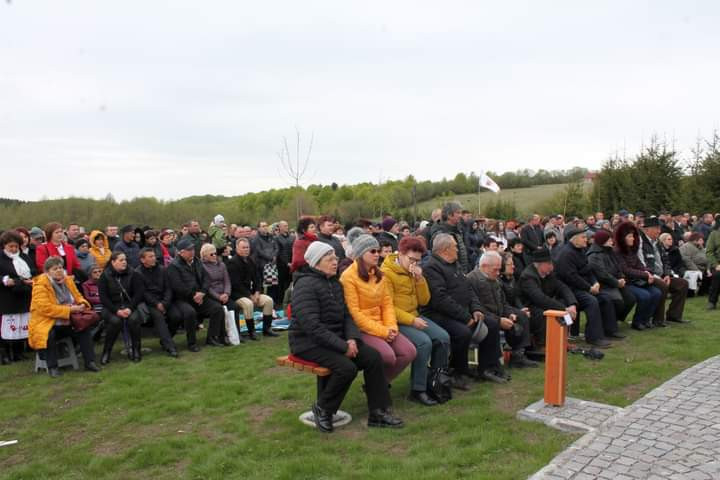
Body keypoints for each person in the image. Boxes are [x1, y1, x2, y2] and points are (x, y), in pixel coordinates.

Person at [290, 242, 403, 432]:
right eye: (329, 259)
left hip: (336, 339)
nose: (335, 262)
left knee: (373, 357)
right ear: (316, 263)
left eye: (335, 258)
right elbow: (312, 327)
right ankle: (323, 409)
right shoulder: (305, 285)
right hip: (307, 343)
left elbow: (347, 316)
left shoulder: (334, 282)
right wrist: (343, 347)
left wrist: (352, 339)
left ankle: (378, 412)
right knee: (346, 368)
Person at [422, 233, 503, 385]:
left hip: (462, 311)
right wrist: (465, 317)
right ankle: (458, 371)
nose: (458, 250)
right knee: (463, 332)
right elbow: (440, 300)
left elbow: (468, 289)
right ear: (445, 249)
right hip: (439, 314)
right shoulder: (431, 268)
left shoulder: (454, 264)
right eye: (455, 247)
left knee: (492, 324)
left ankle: (486, 368)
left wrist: (476, 309)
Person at [381, 236, 451, 406]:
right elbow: (388, 307)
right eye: (411, 259)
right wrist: (412, 321)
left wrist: (420, 279)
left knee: (443, 337)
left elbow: (424, 300)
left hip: (414, 315)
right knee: (424, 343)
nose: (414, 263)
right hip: (396, 320)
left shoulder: (413, 272)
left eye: (418, 260)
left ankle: (435, 381)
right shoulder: (386, 273)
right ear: (401, 254)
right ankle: (418, 389)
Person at [340, 234, 417, 386]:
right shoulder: (348, 277)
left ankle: (378, 384)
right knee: (388, 356)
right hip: (361, 329)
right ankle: (377, 387)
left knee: (409, 352)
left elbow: (387, 304)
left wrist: (391, 327)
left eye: (378, 250)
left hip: (383, 325)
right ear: (361, 254)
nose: (377, 254)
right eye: (373, 251)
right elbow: (354, 313)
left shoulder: (379, 274)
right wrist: (383, 332)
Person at [28, 256, 100, 377]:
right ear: (47, 272)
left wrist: (82, 304)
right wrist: (70, 309)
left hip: (68, 320)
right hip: (46, 322)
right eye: (55, 269)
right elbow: (46, 309)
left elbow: (78, 296)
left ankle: (90, 362)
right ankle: (53, 367)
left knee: (84, 328)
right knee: (49, 335)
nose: (59, 270)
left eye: (60, 267)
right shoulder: (40, 285)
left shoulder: (68, 280)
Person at [467, 251, 537, 368]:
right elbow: (477, 308)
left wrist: (509, 314)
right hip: (483, 318)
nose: (498, 273)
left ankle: (518, 355)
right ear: (484, 266)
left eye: (499, 270)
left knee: (522, 315)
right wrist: (499, 320)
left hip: (497, 315)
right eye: (495, 270)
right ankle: (492, 364)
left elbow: (503, 303)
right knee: (493, 324)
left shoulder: (495, 280)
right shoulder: (472, 280)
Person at [555, 226, 619, 348]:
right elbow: (572, 277)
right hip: (570, 289)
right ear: (574, 240)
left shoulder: (581, 250)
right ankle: (593, 337)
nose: (586, 239)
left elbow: (588, 270)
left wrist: (595, 282)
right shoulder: (566, 254)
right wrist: (589, 288)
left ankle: (610, 330)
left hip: (584, 286)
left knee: (606, 298)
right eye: (583, 237)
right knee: (592, 301)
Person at [166, 239, 226, 348]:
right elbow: (178, 287)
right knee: (190, 312)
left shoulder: (197, 261)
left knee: (217, 308)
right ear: (181, 252)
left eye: (193, 249)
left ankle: (212, 338)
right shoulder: (173, 266)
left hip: (199, 296)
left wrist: (202, 293)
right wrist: (195, 295)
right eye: (189, 250)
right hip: (182, 299)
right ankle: (192, 343)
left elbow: (206, 279)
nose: (192, 251)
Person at [519, 248, 578, 351]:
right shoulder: (528, 277)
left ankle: (563, 339)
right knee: (542, 313)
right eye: (549, 263)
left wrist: (572, 304)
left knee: (564, 309)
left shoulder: (549, 273)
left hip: (544, 304)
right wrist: (564, 309)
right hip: (529, 307)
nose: (552, 266)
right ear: (539, 264)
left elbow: (562, 287)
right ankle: (542, 344)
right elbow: (539, 299)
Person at [638, 216, 689, 325]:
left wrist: (667, 274)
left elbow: (666, 261)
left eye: (659, 228)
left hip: (662, 275)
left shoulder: (658, 243)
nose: (659, 231)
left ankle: (674, 315)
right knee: (662, 286)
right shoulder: (641, 243)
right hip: (648, 276)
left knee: (683, 284)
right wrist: (655, 275)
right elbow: (642, 264)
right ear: (647, 230)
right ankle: (658, 319)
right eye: (656, 228)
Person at [613, 221, 663, 330]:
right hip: (627, 282)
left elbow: (639, 265)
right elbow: (626, 270)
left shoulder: (631, 250)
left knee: (657, 293)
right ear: (622, 238)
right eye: (630, 236)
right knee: (644, 296)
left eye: (633, 236)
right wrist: (645, 275)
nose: (633, 239)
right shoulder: (617, 252)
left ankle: (646, 319)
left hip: (637, 281)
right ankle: (637, 322)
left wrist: (648, 273)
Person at [98, 251, 145, 363]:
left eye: (125, 260)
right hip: (112, 307)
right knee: (115, 321)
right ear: (113, 262)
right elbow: (103, 298)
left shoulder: (133, 273)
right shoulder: (105, 276)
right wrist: (117, 311)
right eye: (121, 260)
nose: (124, 262)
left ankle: (136, 350)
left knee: (134, 319)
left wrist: (130, 308)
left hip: (130, 305)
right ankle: (106, 352)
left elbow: (139, 293)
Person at [227, 238, 277, 339]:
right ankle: (252, 332)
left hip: (251, 293)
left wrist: (257, 292)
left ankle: (267, 329)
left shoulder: (251, 260)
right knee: (248, 304)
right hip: (237, 294)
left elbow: (257, 279)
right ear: (237, 248)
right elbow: (236, 284)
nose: (246, 249)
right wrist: (250, 296)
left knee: (269, 301)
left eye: (247, 247)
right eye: (243, 248)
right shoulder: (232, 263)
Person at [136, 248, 181, 357]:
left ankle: (165, 340)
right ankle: (170, 346)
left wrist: (165, 302)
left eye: (154, 256)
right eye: (150, 256)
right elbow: (143, 293)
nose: (154, 258)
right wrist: (157, 304)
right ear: (143, 260)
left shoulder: (162, 269)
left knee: (177, 316)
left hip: (165, 300)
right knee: (159, 317)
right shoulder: (138, 273)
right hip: (150, 303)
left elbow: (168, 288)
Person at [586, 229, 636, 325]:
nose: (612, 242)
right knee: (618, 302)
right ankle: (609, 323)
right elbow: (602, 274)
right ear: (602, 241)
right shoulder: (593, 255)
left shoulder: (610, 251)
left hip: (615, 282)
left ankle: (615, 319)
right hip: (604, 285)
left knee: (631, 299)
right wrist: (617, 282)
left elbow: (617, 266)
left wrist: (621, 277)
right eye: (609, 240)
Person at [0, 231, 36, 364]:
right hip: (7, 298)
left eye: (16, 246)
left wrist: (31, 279)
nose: (14, 249)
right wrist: (4, 280)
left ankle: (18, 353)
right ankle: (4, 354)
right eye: (11, 246)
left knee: (22, 324)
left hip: (24, 295)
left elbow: (33, 271)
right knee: (7, 327)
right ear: (4, 245)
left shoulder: (24, 257)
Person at [429, 202, 470, 274]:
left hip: (461, 272)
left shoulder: (458, 229)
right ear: (449, 215)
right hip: (451, 274)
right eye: (458, 213)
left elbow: (462, 251)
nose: (460, 215)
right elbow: (442, 259)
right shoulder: (440, 234)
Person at [251, 220, 280, 304]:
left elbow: (276, 248)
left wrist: (274, 256)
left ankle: (273, 302)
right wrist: (270, 257)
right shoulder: (256, 239)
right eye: (263, 226)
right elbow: (259, 251)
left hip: (272, 265)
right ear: (258, 228)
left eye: (266, 225)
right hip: (261, 265)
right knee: (262, 286)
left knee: (273, 284)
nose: (265, 227)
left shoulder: (271, 237)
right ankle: (261, 303)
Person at [274, 220, 295, 306]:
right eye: (284, 226)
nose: (287, 227)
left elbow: (294, 250)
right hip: (282, 265)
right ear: (280, 227)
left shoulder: (292, 237)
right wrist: (286, 263)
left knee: (291, 283)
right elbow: (279, 252)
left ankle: (290, 300)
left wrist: (293, 262)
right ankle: (280, 302)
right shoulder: (277, 238)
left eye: (287, 225)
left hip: (292, 263)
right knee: (282, 284)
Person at [706, 215, 720, 310]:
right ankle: (712, 301)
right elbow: (709, 252)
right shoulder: (714, 234)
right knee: (718, 275)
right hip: (717, 262)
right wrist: (716, 264)